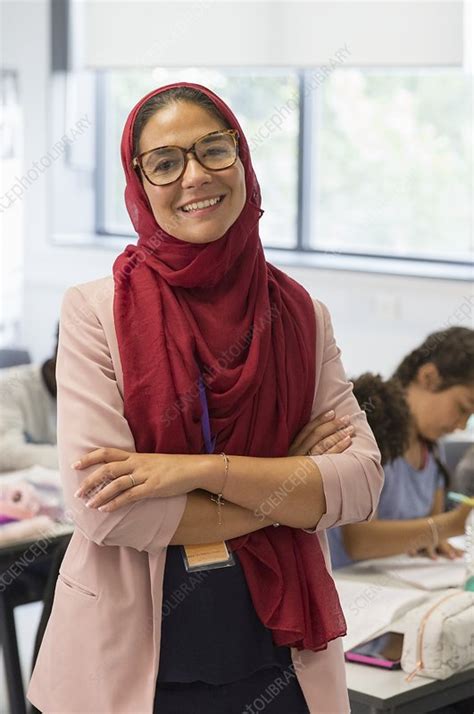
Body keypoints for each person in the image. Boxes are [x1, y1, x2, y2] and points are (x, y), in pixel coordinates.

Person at [27, 83, 383, 714]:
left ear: (242, 159)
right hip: (132, 665)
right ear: (139, 184)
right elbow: (107, 510)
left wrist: (192, 472)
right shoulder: (96, 312)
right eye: (165, 162)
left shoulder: (301, 316)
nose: (194, 176)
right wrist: (285, 494)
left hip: (279, 659)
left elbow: (357, 484)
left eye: (213, 151)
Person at [328, 327, 474, 570]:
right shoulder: (370, 433)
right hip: (344, 583)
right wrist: (456, 523)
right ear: (429, 377)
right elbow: (359, 541)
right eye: (462, 408)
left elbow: (431, 529)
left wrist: (436, 540)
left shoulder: (433, 453)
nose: (460, 426)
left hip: (391, 587)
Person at [0, 328, 58, 472]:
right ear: (58, 348)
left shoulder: (88, 389)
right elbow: (6, 452)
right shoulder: (11, 385)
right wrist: (71, 458)